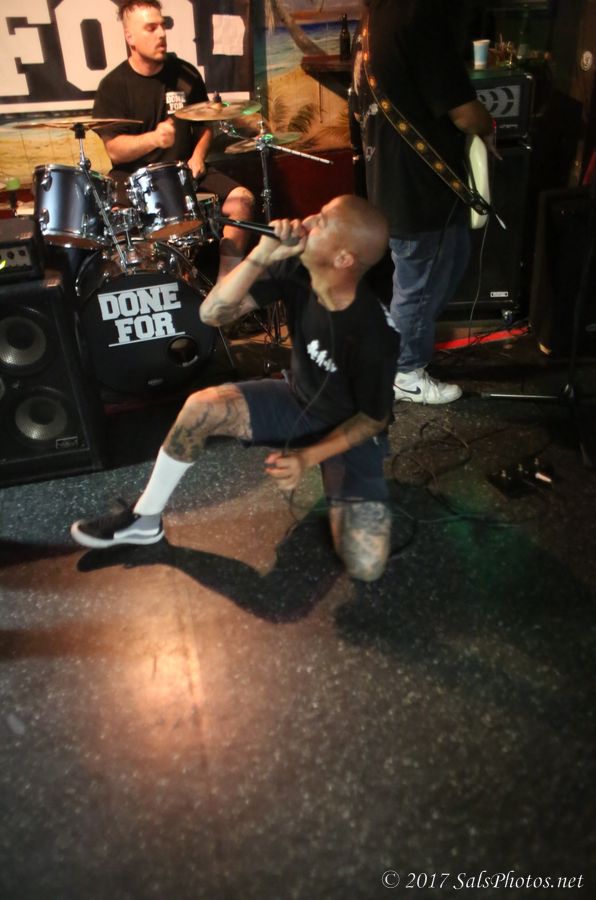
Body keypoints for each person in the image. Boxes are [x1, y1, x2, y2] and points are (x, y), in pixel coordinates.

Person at [71, 195, 400, 583]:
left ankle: (339, 473)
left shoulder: (374, 333)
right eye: (318, 210)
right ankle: (144, 520)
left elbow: (372, 420)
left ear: (344, 259)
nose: (308, 219)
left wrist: (308, 457)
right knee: (202, 407)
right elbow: (211, 314)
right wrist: (261, 255)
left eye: (323, 221)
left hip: (349, 429)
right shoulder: (295, 267)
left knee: (365, 566)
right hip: (298, 400)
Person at [350, 0, 495, 404]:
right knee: (421, 283)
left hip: (393, 178)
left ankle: (396, 351)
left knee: (436, 268)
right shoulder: (419, 14)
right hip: (421, 186)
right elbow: (464, 113)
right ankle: (406, 372)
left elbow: (359, 109)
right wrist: (489, 125)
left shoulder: (374, 18)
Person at [93, 0, 255, 279]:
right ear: (130, 37)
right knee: (117, 220)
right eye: (151, 28)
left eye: (163, 25)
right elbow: (116, 151)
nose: (161, 34)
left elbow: (204, 126)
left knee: (243, 201)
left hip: (182, 170)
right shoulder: (113, 86)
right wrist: (154, 139)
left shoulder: (185, 75)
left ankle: (226, 285)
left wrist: (198, 157)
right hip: (132, 177)